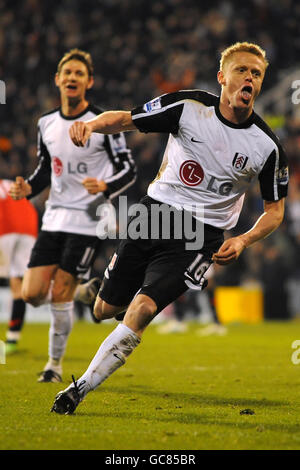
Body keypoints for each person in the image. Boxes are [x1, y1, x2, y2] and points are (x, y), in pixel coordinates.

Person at [50, 42, 288, 414]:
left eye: (256, 73)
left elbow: (275, 211)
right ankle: (97, 293)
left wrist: (242, 239)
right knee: (103, 309)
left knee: (142, 309)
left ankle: (79, 389)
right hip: (153, 215)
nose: (250, 78)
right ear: (222, 77)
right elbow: (126, 119)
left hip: (200, 237)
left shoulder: (266, 146)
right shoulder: (189, 107)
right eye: (242, 70)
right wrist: (92, 124)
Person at [9, 49, 136, 382]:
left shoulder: (103, 123)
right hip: (54, 218)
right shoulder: (45, 123)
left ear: (88, 82)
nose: (72, 78)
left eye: (79, 73)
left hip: (88, 218)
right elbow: (44, 170)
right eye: (67, 73)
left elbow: (128, 169)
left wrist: (105, 185)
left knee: (59, 292)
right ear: (57, 80)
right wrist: (28, 189)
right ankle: (84, 291)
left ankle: (53, 366)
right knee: (32, 293)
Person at [0, 179, 38, 354]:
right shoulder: (9, 184)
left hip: (4, 228)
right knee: (19, 284)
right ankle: (12, 338)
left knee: (18, 283)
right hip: (29, 228)